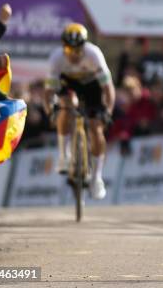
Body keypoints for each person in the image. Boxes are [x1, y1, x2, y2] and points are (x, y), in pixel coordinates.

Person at [43, 23, 115, 200]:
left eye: (77, 50)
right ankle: (64, 155)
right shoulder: (56, 58)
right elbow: (48, 92)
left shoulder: (94, 54)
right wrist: (51, 112)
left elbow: (108, 88)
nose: (74, 55)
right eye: (69, 49)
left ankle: (97, 177)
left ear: (84, 46)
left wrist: (108, 111)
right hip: (69, 85)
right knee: (66, 107)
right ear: (63, 47)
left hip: (93, 87)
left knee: (96, 128)